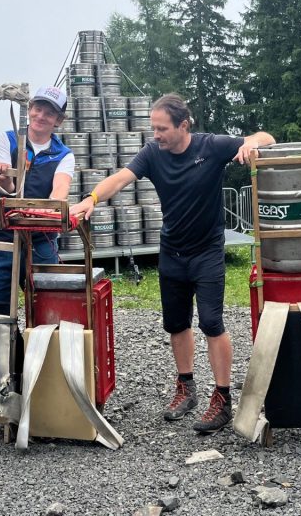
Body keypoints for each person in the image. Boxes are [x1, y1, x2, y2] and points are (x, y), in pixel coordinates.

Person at [70, 94, 275, 434]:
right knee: (176, 324)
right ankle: (187, 388)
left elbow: (266, 137)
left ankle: (222, 398)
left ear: (183, 126)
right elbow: (120, 179)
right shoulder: (153, 154)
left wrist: (251, 143)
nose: (156, 135)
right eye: (153, 128)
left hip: (207, 252)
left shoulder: (211, 147)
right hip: (172, 252)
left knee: (211, 322)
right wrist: (90, 199)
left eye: (162, 128)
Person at [0, 85, 75, 304]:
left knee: (47, 305)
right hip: (2, 236)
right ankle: (1, 338)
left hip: (42, 240)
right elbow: (8, 189)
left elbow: (60, 191)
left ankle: (40, 338)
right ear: (30, 108)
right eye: (38, 108)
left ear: (58, 120)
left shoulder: (63, 155)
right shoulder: (8, 139)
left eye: (49, 112)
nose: (41, 116)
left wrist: (50, 208)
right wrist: (3, 177)